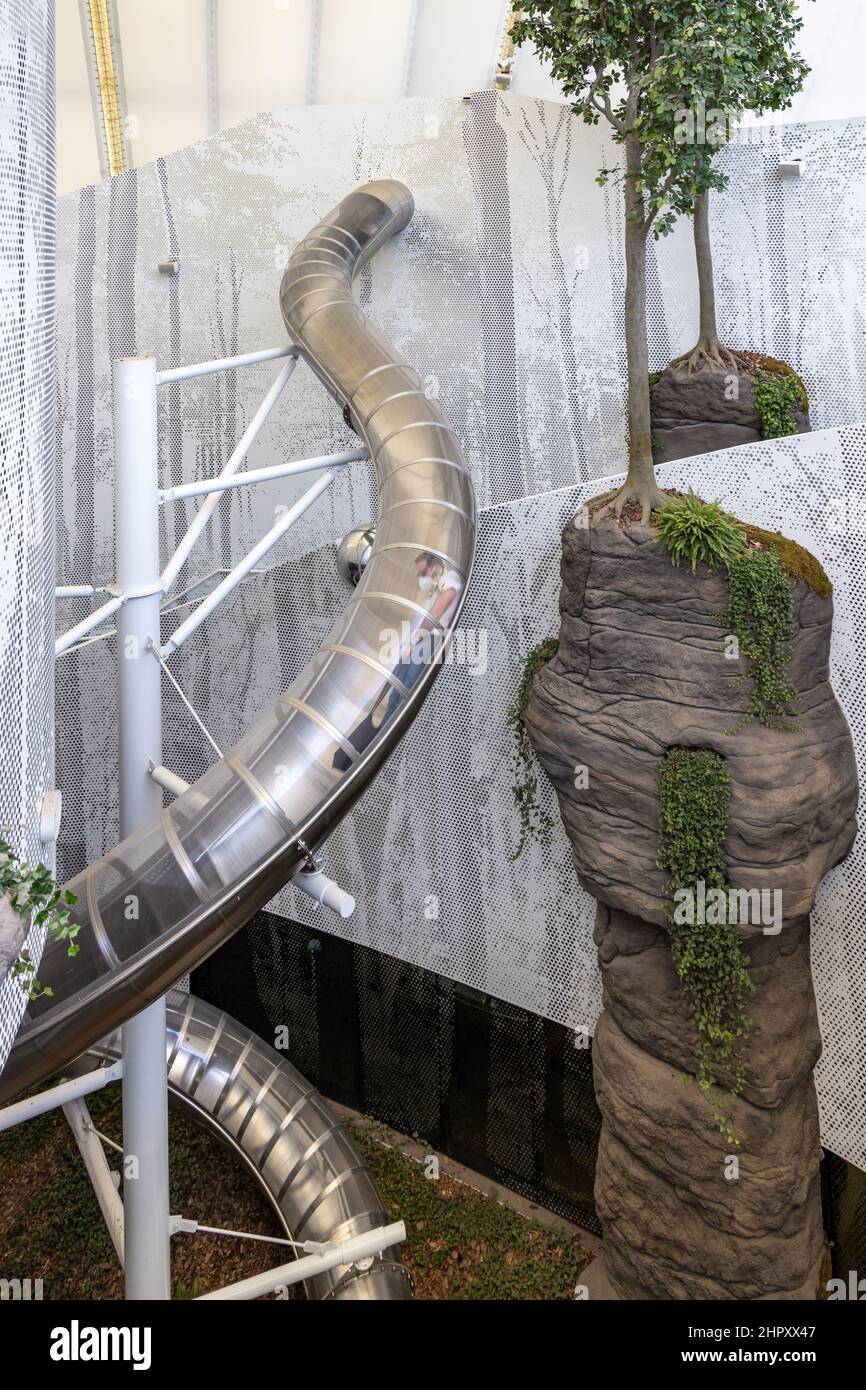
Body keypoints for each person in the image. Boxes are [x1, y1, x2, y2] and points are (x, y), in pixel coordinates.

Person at [331, 552, 463, 771]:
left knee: (406, 686)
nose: (423, 575)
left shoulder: (449, 580)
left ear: (436, 565)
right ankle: (380, 735)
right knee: (396, 685)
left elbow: (441, 606)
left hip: (432, 640)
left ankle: (385, 736)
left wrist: (415, 639)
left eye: (424, 570)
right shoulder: (434, 585)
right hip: (421, 640)